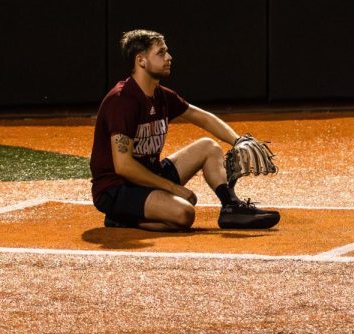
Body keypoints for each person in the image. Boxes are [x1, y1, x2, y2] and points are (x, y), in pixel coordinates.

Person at [89, 29, 280, 231]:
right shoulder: (123, 101)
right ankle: (121, 218)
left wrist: (238, 140)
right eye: (161, 53)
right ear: (141, 61)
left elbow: (202, 117)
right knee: (184, 214)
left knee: (208, 147)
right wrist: (174, 188)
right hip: (116, 188)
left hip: (148, 176)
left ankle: (231, 207)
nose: (169, 57)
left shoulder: (161, 95)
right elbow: (124, 166)